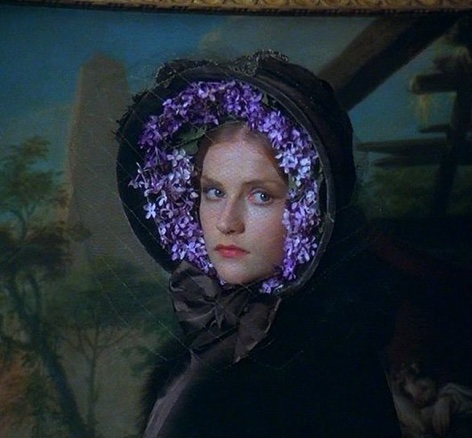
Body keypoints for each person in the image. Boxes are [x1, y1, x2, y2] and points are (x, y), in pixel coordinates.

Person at [116, 51, 401, 437]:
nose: (226, 222)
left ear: (307, 210)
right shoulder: (211, 339)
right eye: (213, 191)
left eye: (261, 196)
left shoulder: (329, 368)